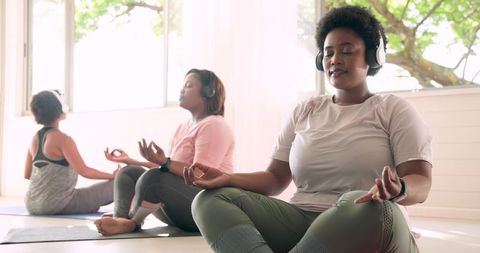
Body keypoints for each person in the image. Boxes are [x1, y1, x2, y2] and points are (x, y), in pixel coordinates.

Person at [184, 6, 432, 253]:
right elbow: (275, 179)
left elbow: (421, 181)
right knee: (209, 200)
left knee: (361, 204)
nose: (334, 60)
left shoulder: (393, 109)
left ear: (373, 56)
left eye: (346, 51)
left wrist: (400, 189)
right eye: (328, 53)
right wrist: (228, 179)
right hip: (302, 220)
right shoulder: (305, 110)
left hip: (367, 220)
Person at [94, 68, 235, 236]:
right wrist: (132, 161)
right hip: (178, 206)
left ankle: (131, 222)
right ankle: (121, 218)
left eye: (188, 85)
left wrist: (164, 162)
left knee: (155, 177)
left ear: (208, 92)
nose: (182, 90)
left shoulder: (214, 125)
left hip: (205, 207)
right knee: (128, 172)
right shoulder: (184, 126)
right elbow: (168, 167)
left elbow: (199, 174)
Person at [24, 90, 117, 215]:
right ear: (57, 109)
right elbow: (84, 171)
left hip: (31, 204)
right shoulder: (63, 139)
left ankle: (87, 205)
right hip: (58, 205)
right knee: (119, 183)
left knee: (83, 194)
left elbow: (27, 174)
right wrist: (113, 176)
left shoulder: (35, 138)